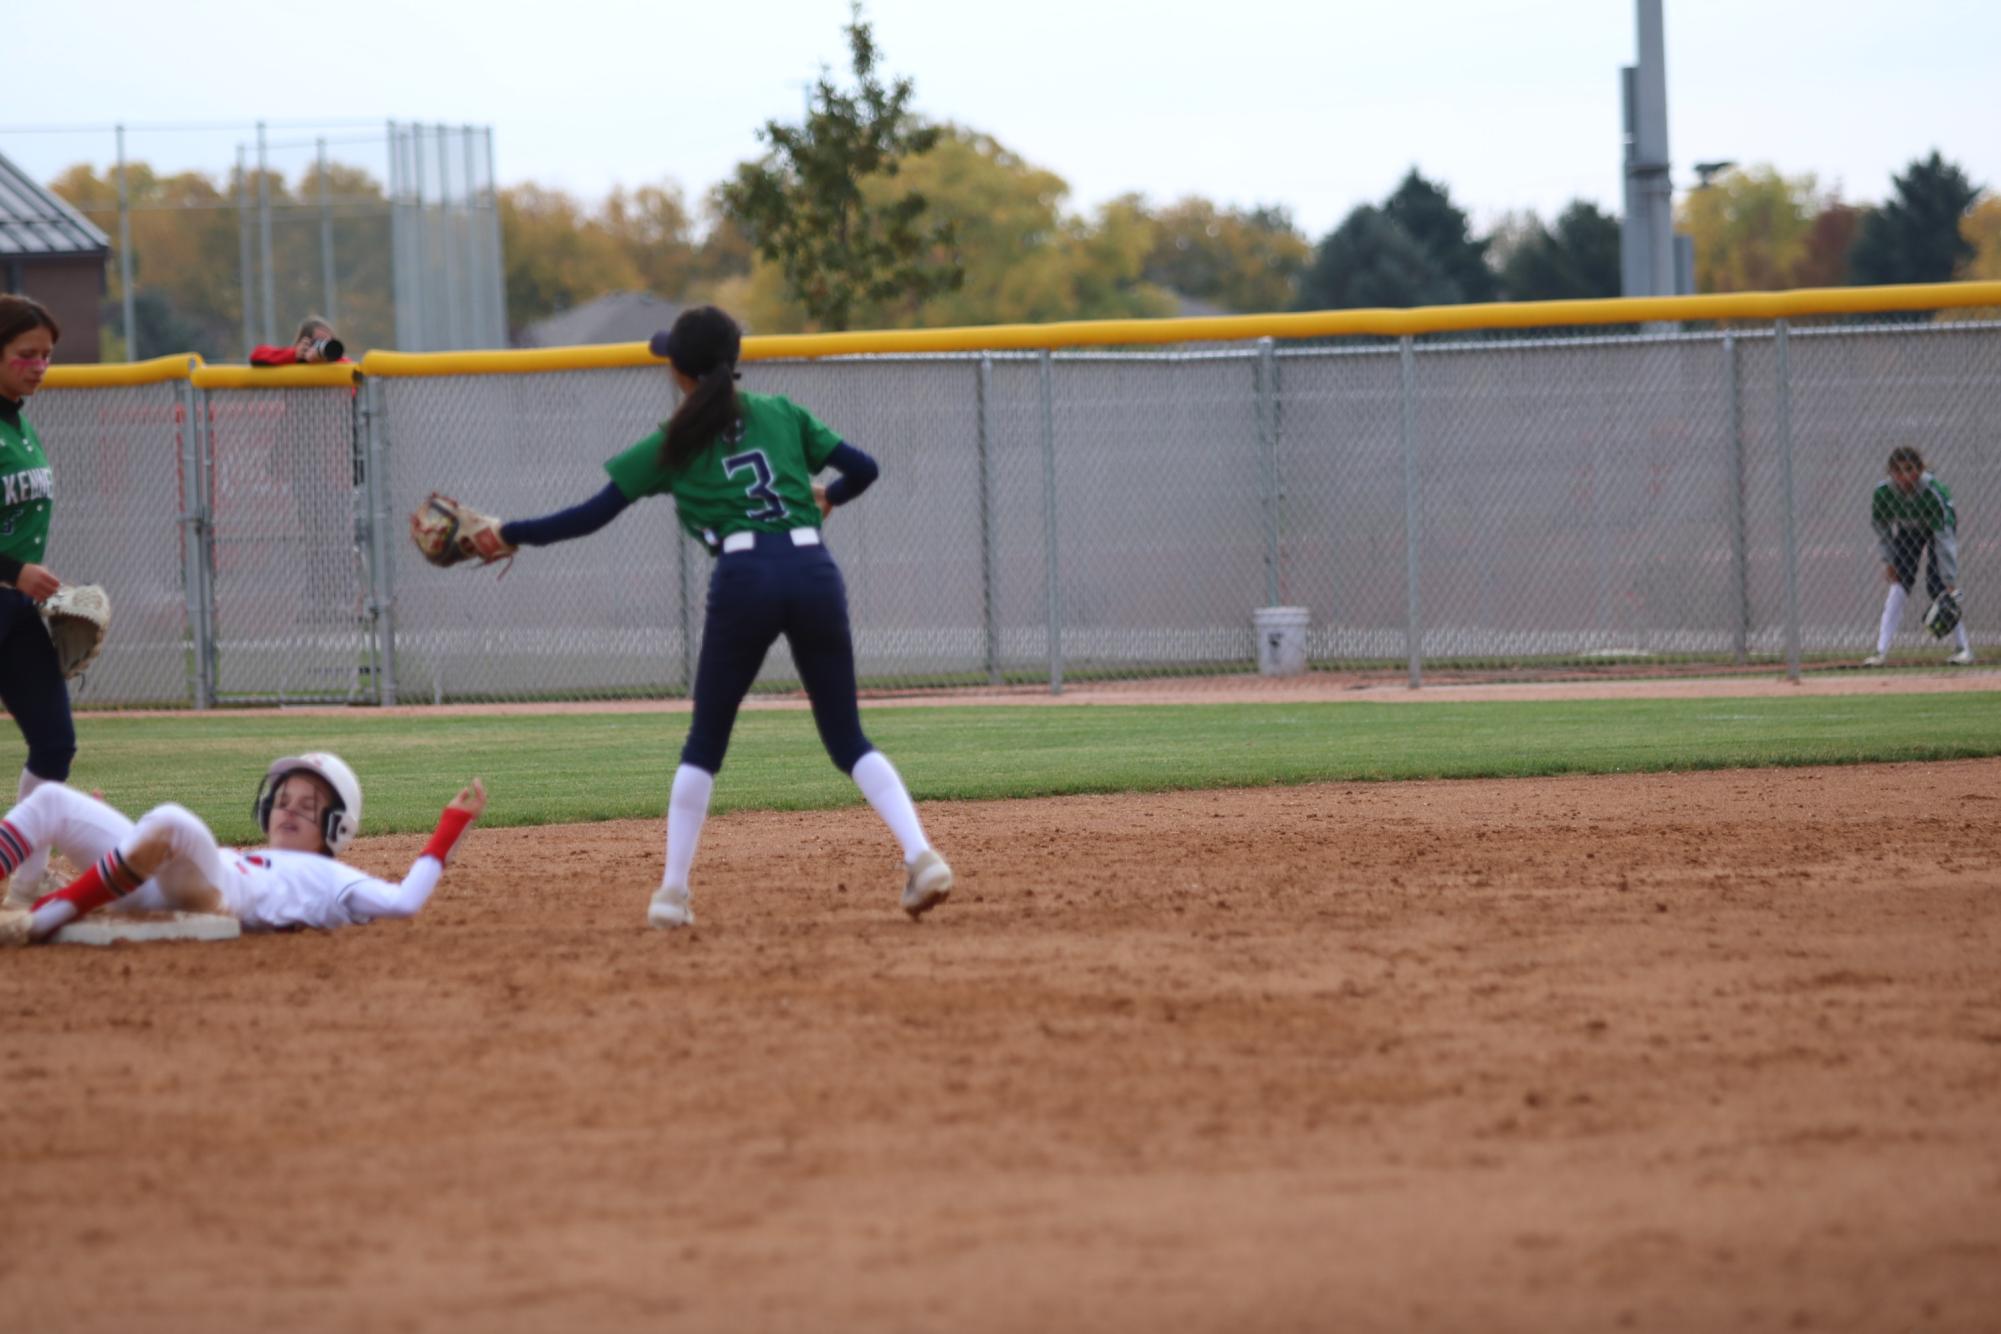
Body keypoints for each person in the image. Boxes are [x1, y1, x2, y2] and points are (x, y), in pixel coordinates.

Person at [424, 305, 953, 929]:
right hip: (814, 572)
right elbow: (864, 469)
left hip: (744, 578)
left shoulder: (672, 442)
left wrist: (508, 531)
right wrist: (827, 497)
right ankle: (921, 856)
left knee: (705, 745)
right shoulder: (781, 413)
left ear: (679, 372)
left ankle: (672, 894)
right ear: (737, 362)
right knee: (847, 738)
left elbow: (589, 516)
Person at [0, 751, 485, 945]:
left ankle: (40, 919)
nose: (289, 810)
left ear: (337, 828)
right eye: (284, 800)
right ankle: (19, 895)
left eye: (308, 806)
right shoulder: (245, 852)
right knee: (52, 799)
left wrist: (451, 827)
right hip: (155, 888)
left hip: (218, 896)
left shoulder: (332, 877)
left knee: (172, 819)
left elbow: (404, 901)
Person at [0, 295, 78, 900]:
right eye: (26, 354)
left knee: (54, 742)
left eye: (46, 355)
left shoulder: (18, 419)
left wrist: (29, 584)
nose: (39, 365)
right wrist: (15, 570)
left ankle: (26, 881)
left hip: (16, 610)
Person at [1864, 446, 1973, 667]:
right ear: (1890, 472)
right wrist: (1889, 561)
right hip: (1908, 530)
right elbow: (1883, 530)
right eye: (1897, 471)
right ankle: (1880, 651)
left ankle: (1964, 649)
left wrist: (1949, 579)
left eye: (1909, 469)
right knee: (1899, 583)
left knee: (1938, 587)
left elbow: (1944, 539)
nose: (1904, 477)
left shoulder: (1933, 492)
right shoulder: (1884, 493)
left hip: (1937, 532)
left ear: (1920, 470)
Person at [249, 315, 347, 367]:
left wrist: (326, 360)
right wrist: (295, 354)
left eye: (327, 342)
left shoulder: (339, 366)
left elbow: (354, 370)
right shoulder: (294, 361)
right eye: (317, 342)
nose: (323, 346)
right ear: (304, 343)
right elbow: (257, 355)